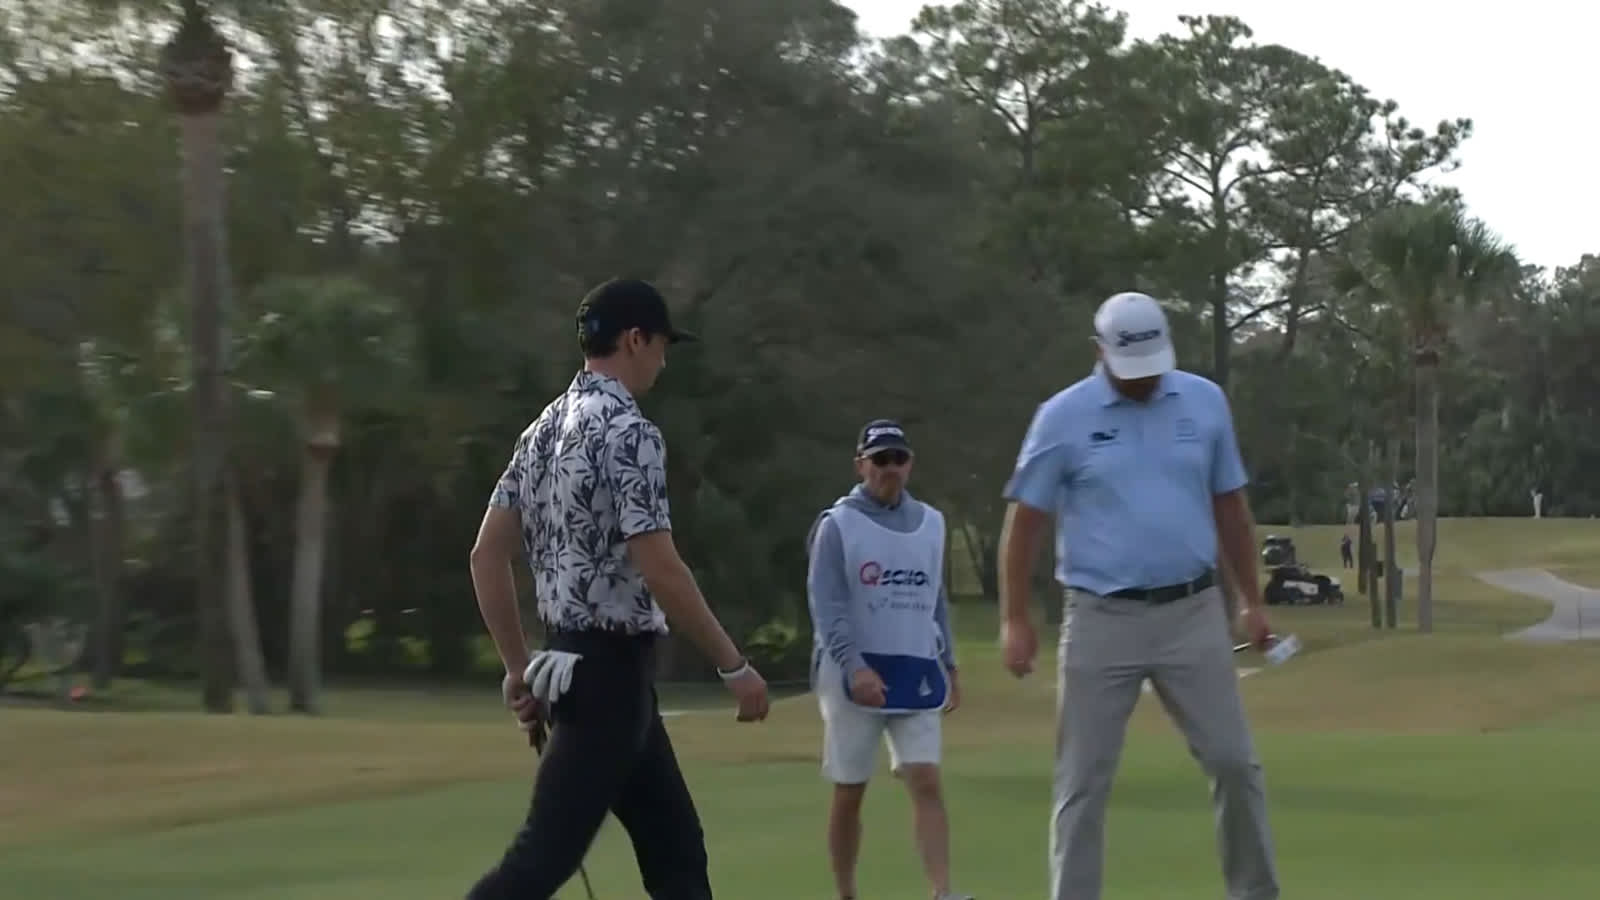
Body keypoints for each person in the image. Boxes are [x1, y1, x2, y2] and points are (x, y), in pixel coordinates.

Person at [465, 277, 771, 900]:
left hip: (580, 671)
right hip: (609, 679)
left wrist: (519, 668)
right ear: (634, 340)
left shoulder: (541, 431)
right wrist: (733, 665)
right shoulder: (630, 432)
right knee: (539, 861)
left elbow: (486, 554)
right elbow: (660, 567)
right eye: (660, 345)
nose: (663, 360)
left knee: (676, 851)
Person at [995, 291, 1281, 900]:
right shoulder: (1062, 417)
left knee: (1235, 763)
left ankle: (1255, 893)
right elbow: (1025, 522)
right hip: (1101, 618)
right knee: (1082, 782)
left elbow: (1230, 506)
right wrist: (1015, 618)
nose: (1144, 379)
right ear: (1099, 352)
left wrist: (1251, 600)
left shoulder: (1205, 401)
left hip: (1193, 612)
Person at [804, 420, 974, 900]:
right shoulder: (837, 525)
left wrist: (950, 663)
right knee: (850, 788)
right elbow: (828, 605)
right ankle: (846, 893)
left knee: (925, 778)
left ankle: (942, 892)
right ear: (861, 465)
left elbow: (935, 600)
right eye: (880, 460)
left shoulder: (932, 523)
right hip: (853, 675)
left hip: (916, 667)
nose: (889, 468)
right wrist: (854, 666)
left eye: (898, 459)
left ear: (910, 465)